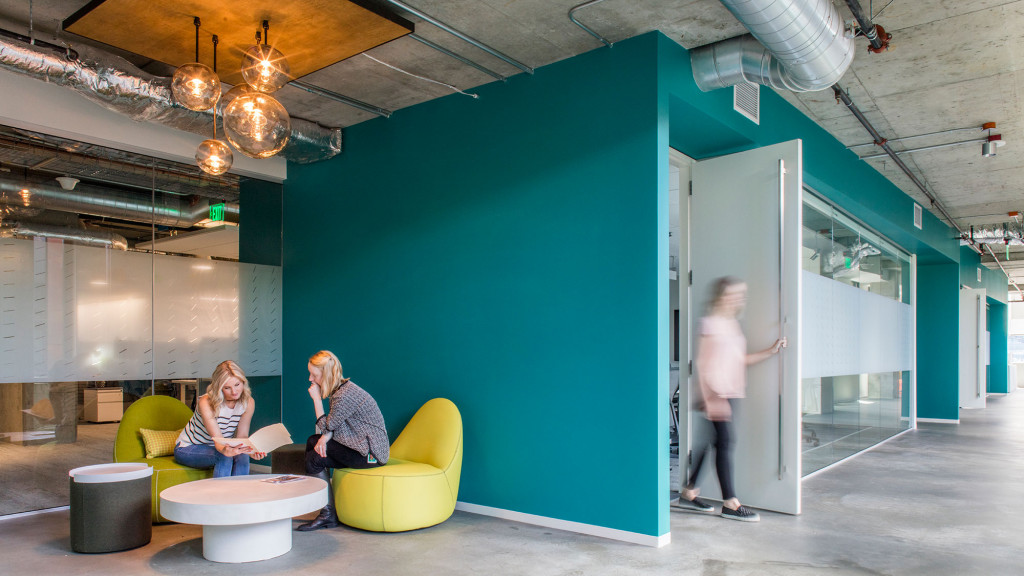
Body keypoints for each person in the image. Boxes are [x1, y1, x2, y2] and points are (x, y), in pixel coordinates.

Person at [675, 277, 785, 522]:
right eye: (733, 294)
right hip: (716, 393)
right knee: (725, 442)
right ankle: (731, 503)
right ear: (721, 296)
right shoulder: (709, 323)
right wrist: (711, 397)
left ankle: (688, 492)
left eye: (740, 294)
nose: (738, 298)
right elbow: (702, 364)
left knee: (712, 441)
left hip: (732, 392)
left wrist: (770, 350)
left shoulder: (732, 324)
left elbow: (738, 359)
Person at [297, 350, 389, 532]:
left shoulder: (344, 396)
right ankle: (326, 511)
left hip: (371, 455)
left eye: (314, 375)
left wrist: (316, 399)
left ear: (326, 374)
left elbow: (326, 426)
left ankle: (327, 514)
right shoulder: (341, 390)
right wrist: (324, 437)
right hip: (360, 447)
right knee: (312, 442)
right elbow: (332, 427)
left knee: (316, 458)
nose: (310, 379)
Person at [173, 360, 264, 477]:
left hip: (220, 445)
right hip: (188, 448)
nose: (234, 391)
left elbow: (242, 436)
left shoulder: (249, 402)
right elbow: (218, 439)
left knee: (242, 455)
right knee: (224, 456)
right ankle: (220, 495)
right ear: (219, 388)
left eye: (237, 384)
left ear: (243, 382)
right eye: (227, 388)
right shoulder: (206, 402)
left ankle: (240, 493)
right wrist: (227, 451)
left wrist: (251, 451)